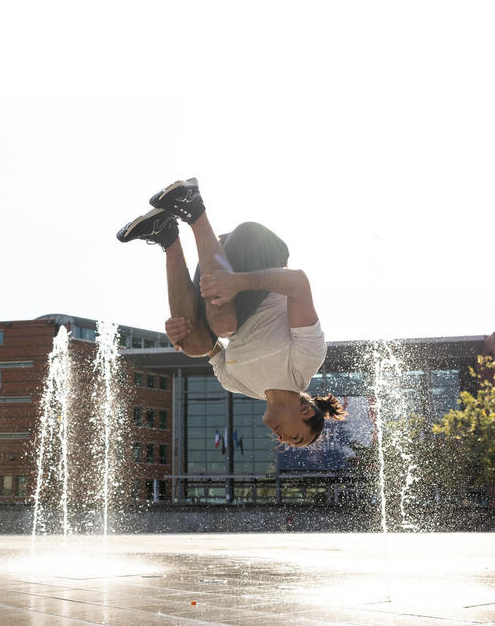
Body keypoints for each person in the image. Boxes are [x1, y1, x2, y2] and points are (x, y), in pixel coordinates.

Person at [116, 177, 346, 447]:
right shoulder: (304, 364)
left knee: (195, 344)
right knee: (224, 325)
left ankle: (165, 235)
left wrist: (178, 333)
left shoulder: (237, 384)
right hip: (260, 247)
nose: (282, 438)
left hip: (216, 264)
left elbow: (204, 344)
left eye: (285, 441)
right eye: (295, 436)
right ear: (306, 411)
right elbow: (297, 282)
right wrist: (241, 282)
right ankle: (193, 208)